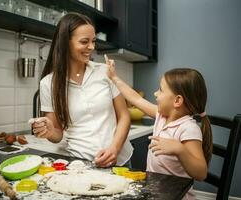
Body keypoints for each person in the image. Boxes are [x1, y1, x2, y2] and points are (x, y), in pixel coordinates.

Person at [31, 13, 133, 168]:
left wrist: (114, 149)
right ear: (66, 43)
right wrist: (50, 131)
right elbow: (57, 134)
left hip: (121, 160)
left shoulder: (105, 71)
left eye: (93, 41)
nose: (91, 47)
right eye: (84, 42)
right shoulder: (48, 84)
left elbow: (124, 115)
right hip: (82, 163)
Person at [105, 55, 212, 200]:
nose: (155, 93)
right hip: (157, 191)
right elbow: (136, 99)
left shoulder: (188, 129)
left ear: (177, 101)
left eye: (161, 90)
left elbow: (201, 173)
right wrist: (114, 77)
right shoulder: (161, 116)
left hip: (176, 196)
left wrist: (180, 149)